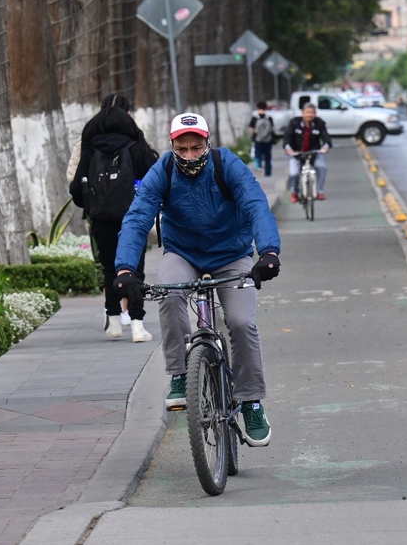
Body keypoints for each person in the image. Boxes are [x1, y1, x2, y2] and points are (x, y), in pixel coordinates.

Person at [113, 113, 281, 446]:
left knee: (240, 320)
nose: (190, 155)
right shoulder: (162, 171)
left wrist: (269, 252)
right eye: (182, 148)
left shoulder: (227, 164)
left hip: (231, 254)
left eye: (196, 147)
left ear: (207, 142)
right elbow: (137, 218)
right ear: (172, 146)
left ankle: (251, 401)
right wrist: (124, 269)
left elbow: (255, 204)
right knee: (171, 297)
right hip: (184, 253)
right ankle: (179, 375)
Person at [68, 94, 159, 342]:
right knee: (135, 269)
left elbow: (76, 188)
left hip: (101, 219)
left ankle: (114, 322)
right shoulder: (135, 143)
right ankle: (138, 325)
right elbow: (155, 177)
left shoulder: (90, 146)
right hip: (133, 217)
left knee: (110, 269)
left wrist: (92, 206)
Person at [284, 103, 331, 202]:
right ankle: (294, 192)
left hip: (314, 153)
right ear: (302, 113)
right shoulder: (294, 123)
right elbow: (287, 138)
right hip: (296, 153)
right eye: (307, 112)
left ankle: (319, 191)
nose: (310, 115)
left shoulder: (320, 123)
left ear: (315, 113)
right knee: (294, 173)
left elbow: (326, 137)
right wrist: (288, 149)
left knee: (322, 168)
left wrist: (325, 147)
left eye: (312, 112)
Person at [248, 101, 275, 176]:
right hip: (268, 140)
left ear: (257, 108)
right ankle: (268, 172)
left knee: (258, 155)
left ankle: (259, 167)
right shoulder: (269, 118)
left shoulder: (255, 118)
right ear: (265, 108)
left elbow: (251, 129)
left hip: (258, 140)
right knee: (268, 157)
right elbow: (272, 129)